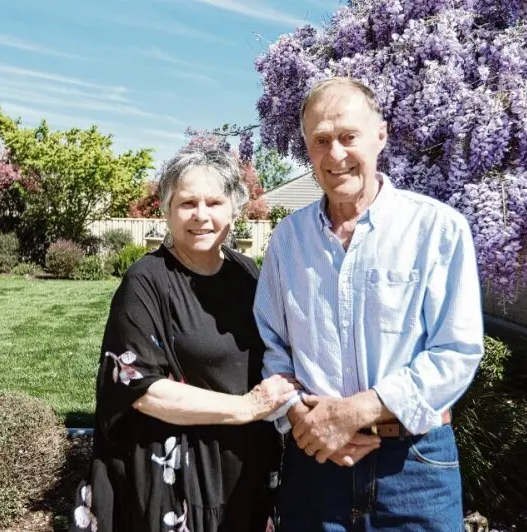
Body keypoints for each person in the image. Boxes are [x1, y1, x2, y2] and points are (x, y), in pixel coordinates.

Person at [254, 77, 485, 531]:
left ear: (381, 136)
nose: (335, 154)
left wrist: (356, 412)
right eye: (321, 140)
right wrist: (303, 417)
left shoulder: (437, 229)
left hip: (413, 464)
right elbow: (273, 347)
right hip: (314, 461)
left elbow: (456, 352)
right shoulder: (287, 241)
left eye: (348, 136)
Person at [70, 145, 296, 532]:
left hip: (245, 471)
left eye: (214, 202)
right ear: (167, 210)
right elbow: (141, 390)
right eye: (187, 203)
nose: (201, 215)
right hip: (178, 480)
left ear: (234, 209)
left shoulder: (246, 273)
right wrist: (247, 407)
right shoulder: (146, 280)